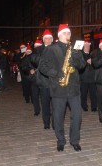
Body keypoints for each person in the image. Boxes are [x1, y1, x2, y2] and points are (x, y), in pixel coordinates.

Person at [39, 24, 85, 152]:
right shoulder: (51, 49)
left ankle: (74, 141)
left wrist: (75, 58)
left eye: (69, 33)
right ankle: (60, 140)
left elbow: (82, 65)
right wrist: (57, 73)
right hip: (58, 87)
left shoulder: (74, 49)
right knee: (58, 117)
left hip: (74, 88)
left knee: (77, 116)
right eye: (65, 33)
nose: (68, 35)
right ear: (59, 35)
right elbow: (42, 67)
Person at [32, 30, 54, 129]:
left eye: (50, 38)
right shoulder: (38, 49)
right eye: (46, 38)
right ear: (44, 40)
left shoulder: (55, 48)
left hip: (54, 81)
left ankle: (55, 122)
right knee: (45, 103)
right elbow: (33, 59)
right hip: (43, 81)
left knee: (55, 104)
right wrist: (45, 58)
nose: (48, 40)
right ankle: (46, 122)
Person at [80, 40, 97, 112]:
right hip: (84, 77)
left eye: (88, 46)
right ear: (83, 47)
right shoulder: (80, 55)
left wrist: (92, 61)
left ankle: (94, 106)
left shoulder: (92, 55)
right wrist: (86, 62)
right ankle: (84, 106)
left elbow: (96, 64)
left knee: (93, 93)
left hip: (92, 77)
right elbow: (79, 65)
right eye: (86, 46)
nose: (87, 47)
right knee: (83, 93)